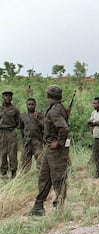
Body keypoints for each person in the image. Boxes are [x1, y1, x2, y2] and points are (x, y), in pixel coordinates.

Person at [27, 85, 70, 216]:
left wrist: (59, 142)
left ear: (48, 96)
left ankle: (60, 207)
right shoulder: (57, 108)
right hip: (49, 149)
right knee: (44, 176)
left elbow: (64, 128)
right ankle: (38, 205)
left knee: (58, 177)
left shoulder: (54, 111)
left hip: (56, 150)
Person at [19, 98, 44, 172]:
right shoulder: (22, 116)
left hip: (37, 140)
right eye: (29, 104)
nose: (30, 106)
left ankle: (41, 174)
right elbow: (21, 128)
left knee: (40, 159)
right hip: (27, 141)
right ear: (26, 105)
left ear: (35, 105)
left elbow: (44, 126)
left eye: (32, 104)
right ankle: (24, 175)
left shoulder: (39, 115)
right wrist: (23, 139)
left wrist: (37, 119)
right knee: (25, 159)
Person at [0, 91, 20, 178]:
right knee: (2, 152)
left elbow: (18, 121)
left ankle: (13, 171)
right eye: (6, 96)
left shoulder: (15, 109)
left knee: (12, 153)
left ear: (12, 97)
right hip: (1, 132)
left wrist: (12, 127)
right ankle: (3, 172)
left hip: (11, 132)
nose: (8, 97)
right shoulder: (0, 108)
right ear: (2, 97)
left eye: (9, 96)